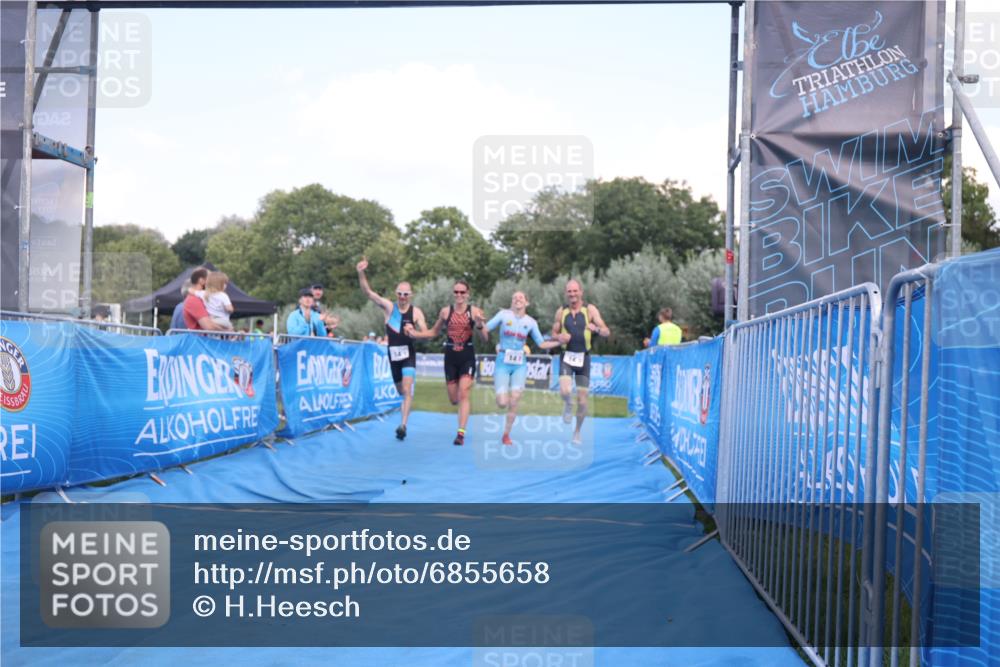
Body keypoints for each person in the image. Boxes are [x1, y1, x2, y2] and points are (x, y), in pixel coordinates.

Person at [357, 257, 430, 440]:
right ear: (396, 294)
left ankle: (403, 425)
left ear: (411, 295)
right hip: (393, 356)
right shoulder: (389, 308)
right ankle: (404, 414)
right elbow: (368, 293)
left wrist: (414, 332)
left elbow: (426, 333)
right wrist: (360, 272)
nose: (402, 297)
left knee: (406, 388)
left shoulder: (416, 312)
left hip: (409, 355)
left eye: (406, 294)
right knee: (400, 391)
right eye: (400, 293)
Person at [408, 279, 488, 446]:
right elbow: (433, 333)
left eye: (462, 292)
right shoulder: (445, 312)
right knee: (454, 399)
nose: (459, 295)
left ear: (468, 294)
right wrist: (414, 334)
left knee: (464, 392)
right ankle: (462, 409)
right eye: (456, 292)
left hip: (467, 355)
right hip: (450, 357)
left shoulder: (475, 312)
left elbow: (485, 338)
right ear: (453, 293)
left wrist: (480, 325)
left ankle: (460, 434)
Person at [484, 291, 562, 445]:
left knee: (515, 400)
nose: (517, 299)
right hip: (503, 362)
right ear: (512, 302)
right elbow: (486, 328)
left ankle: (506, 435)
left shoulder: (531, 322)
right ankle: (501, 397)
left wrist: (560, 341)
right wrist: (480, 325)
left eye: (520, 297)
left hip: (520, 364)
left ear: (527, 303)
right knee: (502, 403)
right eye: (514, 298)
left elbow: (541, 343)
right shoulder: (503, 315)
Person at [551, 279, 611, 444]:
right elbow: (553, 333)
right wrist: (559, 337)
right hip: (566, 357)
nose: (572, 294)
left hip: (583, 358)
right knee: (564, 391)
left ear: (581, 292)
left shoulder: (590, 310)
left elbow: (607, 331)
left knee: (583, 401)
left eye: (575, 291)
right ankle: (568, 404)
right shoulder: (561, 312)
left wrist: (597, 329)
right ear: (566, 293)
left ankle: (577, 432)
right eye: (569, 291)